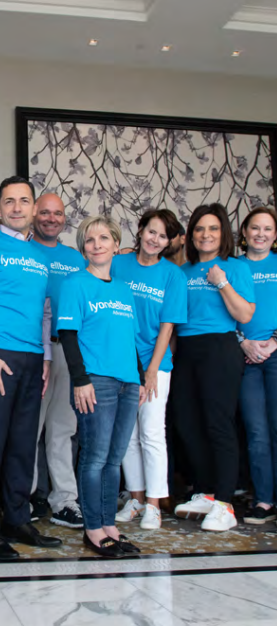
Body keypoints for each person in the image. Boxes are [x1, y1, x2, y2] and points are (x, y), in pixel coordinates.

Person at [0, 176, 62, 559]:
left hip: (32, 359)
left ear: (34, 207)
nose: (18, 207)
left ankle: (17, 518)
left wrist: (46, 360)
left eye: (24, 201)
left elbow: (43, 312)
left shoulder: (41, 256)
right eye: (10, 201)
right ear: (0, 207)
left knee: (23, 444)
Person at [57, 215, 146, 557]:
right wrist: (80, 381)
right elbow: (68, 335)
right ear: (83, 248)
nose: (97, 244)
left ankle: (110, 524)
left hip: (127, 384)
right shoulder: (75, 284)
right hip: (96, 381)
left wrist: (138, 380)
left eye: (103, 238)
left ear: (115, 244)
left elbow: (131, 339)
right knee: (94, 457)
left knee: (114, 459)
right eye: (90, 240)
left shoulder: (124, 290)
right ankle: (93, 529)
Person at [172, 203, 255, 532]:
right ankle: (206, 492)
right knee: (187, 424)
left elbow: (245, 314)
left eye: (213, 229)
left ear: (223, 234)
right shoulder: (183, 272)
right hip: (187, 350)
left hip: (219, 348)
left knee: (219, 425)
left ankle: (225, 503)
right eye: (199, 229)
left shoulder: (234, 268)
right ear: (191, 235)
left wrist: (221, 282)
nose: (205, 235)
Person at [112, 209, 187, 530]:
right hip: (120, 363)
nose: (155, 240)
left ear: (169, 242)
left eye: (163, 236)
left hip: (156, 365)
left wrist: (153, 370)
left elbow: (167, 327)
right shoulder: (118, 264)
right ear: (140, 230)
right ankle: (136, 499)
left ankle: (155, 504)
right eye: (151, 232)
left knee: (152, 433)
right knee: (127, 435)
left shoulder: (173, 275)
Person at [30, 192, 85, 529]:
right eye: (45, 212)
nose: (51, 218)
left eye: (58, 214)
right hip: (32, 351)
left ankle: (65, 501)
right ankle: (25, 497)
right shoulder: (24, 250)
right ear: (35, 214)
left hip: (68, 350)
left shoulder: (75, 259)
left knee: (63, 430)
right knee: (29, 429)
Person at [236, 207, 277, 525]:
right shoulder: (233, 267)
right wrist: (243, 342)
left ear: (275, 235)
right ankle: (264, 500)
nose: (260, 234)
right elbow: (220, 311)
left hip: (276, 353)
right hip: (246, 359)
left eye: (267, 229)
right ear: (245, 232)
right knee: (257, 432)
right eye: (255, 228)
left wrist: (274, 341)